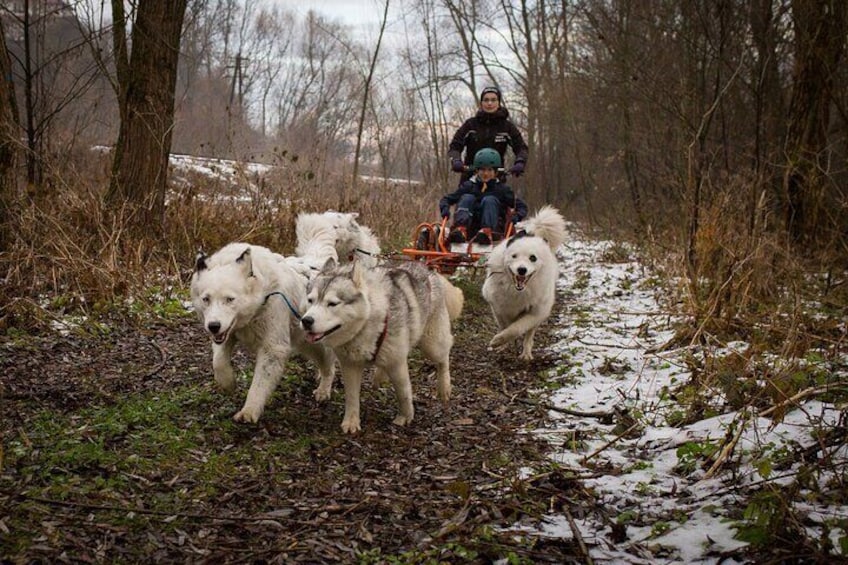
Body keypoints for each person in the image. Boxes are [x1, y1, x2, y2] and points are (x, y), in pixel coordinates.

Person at [439, 148, 528, 245]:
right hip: (470, 230)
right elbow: (446, 200)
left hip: (494, 232)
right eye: (482, 169)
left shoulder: (502, 190)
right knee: (467, 198)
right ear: (477, 171)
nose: (486, 173)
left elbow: (522, 207)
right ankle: (460, 231)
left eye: (490, 170)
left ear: (496, 172)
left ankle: (486, 233)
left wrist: (516, 217)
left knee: (489, 200)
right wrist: (445, 210)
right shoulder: (468, 186)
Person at [448, 86, 529, 184]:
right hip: (470, 178)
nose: (489, 103)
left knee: (504, 199)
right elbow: (455, 146)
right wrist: (456, 161)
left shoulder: (507, 127)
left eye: (493, 100)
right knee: (462, 199)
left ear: (498, 103)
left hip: (497, 179)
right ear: (481, 103)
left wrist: (520, 162)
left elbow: (521, 147)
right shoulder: (470, 125)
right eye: (486, 100)